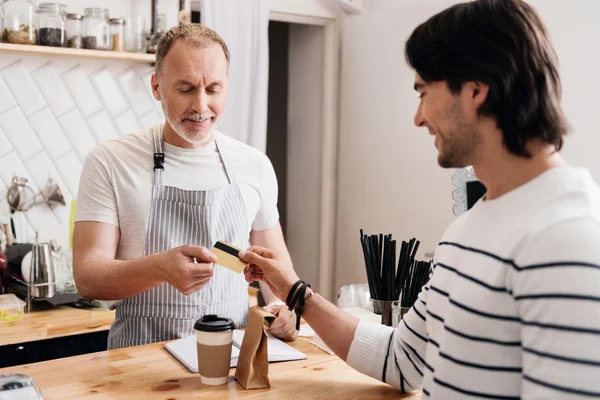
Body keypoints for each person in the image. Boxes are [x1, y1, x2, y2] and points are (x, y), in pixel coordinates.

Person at [239, 0, 600, 398]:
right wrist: (294, 291)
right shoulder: (467, 228)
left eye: (424, 91)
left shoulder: (571, 238)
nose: (418, 117)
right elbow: (405, 359)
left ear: (476, 90)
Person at [73, 24, 298, 350]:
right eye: (186, 88)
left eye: (214, 89)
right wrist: (160, 268)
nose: (201, 106)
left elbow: (277, 273)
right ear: (156, 86)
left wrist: (282, 308)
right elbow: (88, 278)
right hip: (137, 368)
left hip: (232, 363)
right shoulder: (111, 160)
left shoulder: (254, 164)